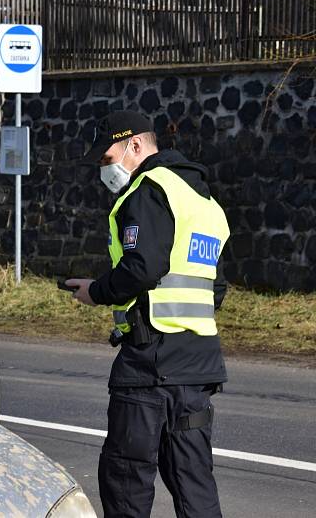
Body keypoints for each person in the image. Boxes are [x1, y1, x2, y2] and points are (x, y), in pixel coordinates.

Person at [65, 110, 229, 518]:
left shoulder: (148, 190)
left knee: (126, 479)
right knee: (194, 483)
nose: (105, 169)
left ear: (135, 144)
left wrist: (96, 291)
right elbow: (217, 288)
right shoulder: (204, 200)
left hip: (150, 364)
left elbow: (142, 267)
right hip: (198, 364)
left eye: (107, 158)